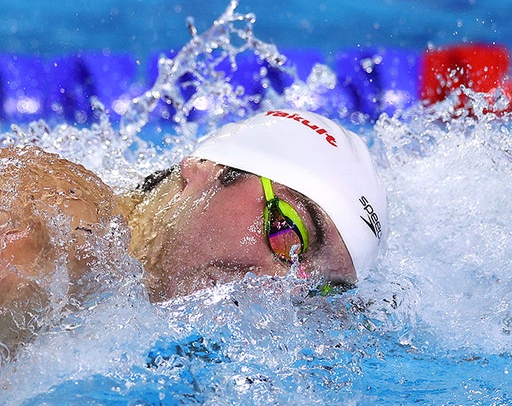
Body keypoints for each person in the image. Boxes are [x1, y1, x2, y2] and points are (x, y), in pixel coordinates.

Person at [0, 108, 388, 358]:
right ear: (204, 170)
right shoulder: (61, 231)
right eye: (287, 232)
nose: (280, 287)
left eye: (314, 289)